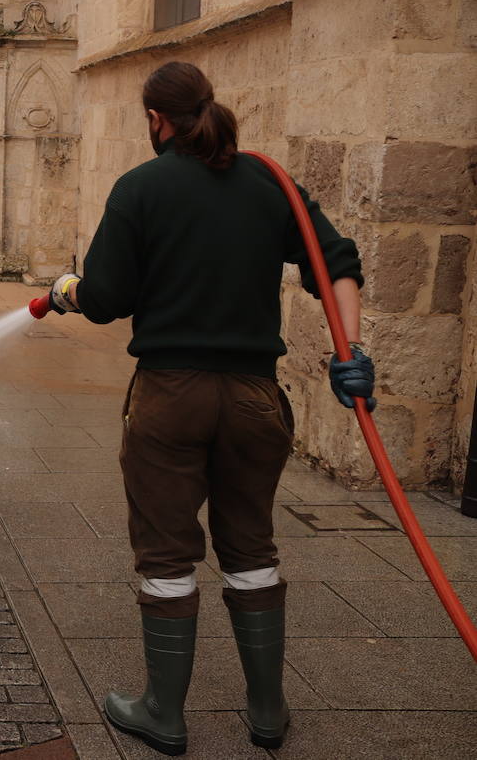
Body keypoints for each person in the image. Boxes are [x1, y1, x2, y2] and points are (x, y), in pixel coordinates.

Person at [45, 61, 371, 756]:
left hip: (170, 396)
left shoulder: (140, 189)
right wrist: (354, 351)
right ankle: (268, 713)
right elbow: (338, 262)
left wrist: (70, 290)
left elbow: (105, 300)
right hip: (255, 399)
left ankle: (162, 712)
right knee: (251, 546)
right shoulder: (268, 184)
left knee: (166, 553)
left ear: (158, 121)